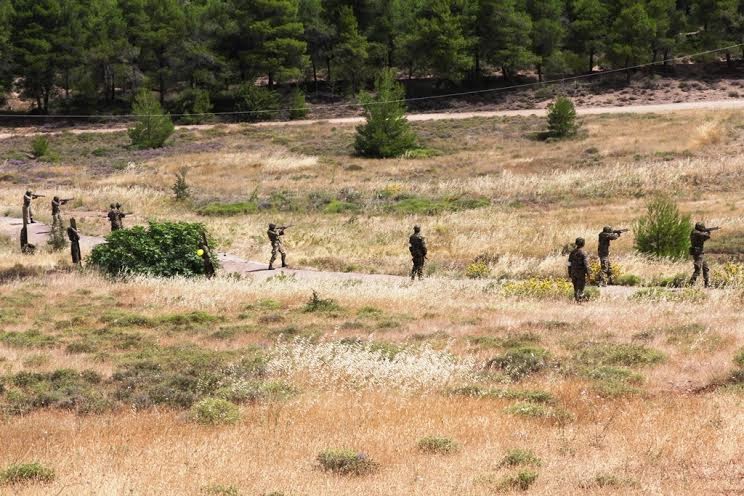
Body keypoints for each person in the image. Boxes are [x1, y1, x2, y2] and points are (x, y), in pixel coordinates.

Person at [689, 222, 714, 288]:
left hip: (700, 253)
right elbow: (707, 236)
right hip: (698, 254)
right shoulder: (695, 232)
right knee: (698, 269)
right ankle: (691, 284)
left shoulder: (697, 233)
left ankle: (707, 284)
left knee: (705, 268)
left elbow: (704, 238)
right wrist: (708, 232)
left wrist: (707, 231)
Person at [568, 237, 590, 302]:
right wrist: (589, 274)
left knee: (575, 288)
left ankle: (576, 299)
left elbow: (569, 263)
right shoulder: (583, 253)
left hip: (573, 272)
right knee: (581, 288)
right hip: (580, 273)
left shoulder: (572, 252)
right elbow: (586, 265)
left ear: (576, 243)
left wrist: (569, 272)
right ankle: (580, 301)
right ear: (583, 244)